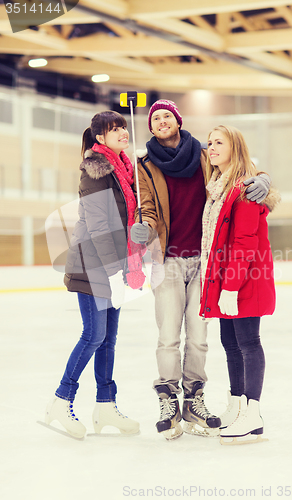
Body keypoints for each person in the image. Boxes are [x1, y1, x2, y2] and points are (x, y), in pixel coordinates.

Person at [131, 100, 271, 440]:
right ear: (151, 128)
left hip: (206, 262)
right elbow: (147, 209)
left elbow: (240, 168)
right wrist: (144, 229)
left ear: (178, 121)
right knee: (168, 336)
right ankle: (168, 398)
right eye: (155, 118)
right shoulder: (146, 166)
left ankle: (194, 398)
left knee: (199, 336)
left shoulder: (204, 155)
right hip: (168, 260)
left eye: (167, 115)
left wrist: (264, 179)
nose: (162, 121)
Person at [45, 110, 144, 439]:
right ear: (100, 137)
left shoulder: (125, 170)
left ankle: (105, 405)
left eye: (124, 127)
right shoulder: (96, 171)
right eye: (114, 129)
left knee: (108, 340)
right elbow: (100, 227)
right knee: (93, 335)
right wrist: (115, 272)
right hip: (93, 265)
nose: (122, 133)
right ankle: (62, 399)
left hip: (115, 265)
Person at [199, 125, 280, 445]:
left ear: (236, 148)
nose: (212, 147)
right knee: (230, 344)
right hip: (225, 280)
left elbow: (245, 242)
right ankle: (237, 404)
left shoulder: (246, 189)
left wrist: (231, 288)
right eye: (210, 143)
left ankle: (253, 412)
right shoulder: (217, 186)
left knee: (248, 343)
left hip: (244, 281)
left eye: (220, 142)